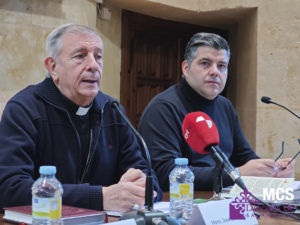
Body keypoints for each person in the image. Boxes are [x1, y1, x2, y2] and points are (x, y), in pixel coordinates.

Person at [0, 23, 162, 212]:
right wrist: (99, 197)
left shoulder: (112, 110)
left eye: (98, 56)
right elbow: (9, 189)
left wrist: (142, 186)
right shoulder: (24, 109)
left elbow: (149, 178)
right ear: (53, 67)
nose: (94, 65)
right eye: (80, 56)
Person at [138, 32, 295, 191]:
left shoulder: (225, 106)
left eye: (221, 66)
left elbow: (244, 157)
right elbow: (165, 173)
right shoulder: (163, 108)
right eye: (205, 63)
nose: (215, 71)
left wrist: (272, 170)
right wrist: (235, 174)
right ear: (186, 68)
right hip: (182, 203)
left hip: (223, 199)